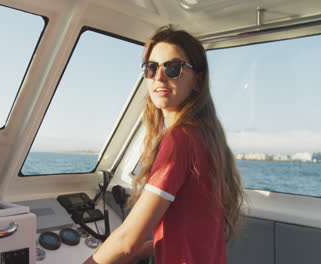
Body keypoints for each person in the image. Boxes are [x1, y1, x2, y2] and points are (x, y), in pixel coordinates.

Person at [84, 25, 246, 264]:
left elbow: (127, 242)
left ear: (198, 81)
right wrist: (144, 249)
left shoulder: (180, 139)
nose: (159, 77)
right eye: (151, 68)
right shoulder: (206, 136)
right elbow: (192, 232)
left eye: (173, 68)